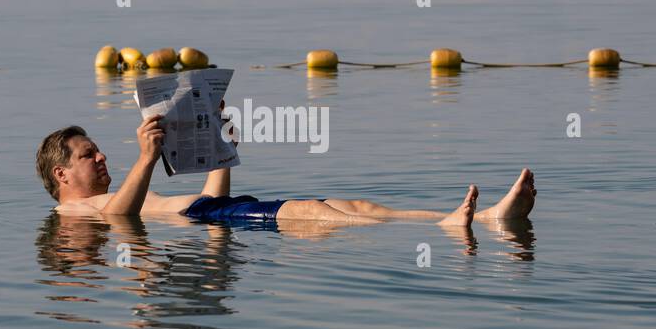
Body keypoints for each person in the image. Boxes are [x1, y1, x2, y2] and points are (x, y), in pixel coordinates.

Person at [35, 106, 536, 228]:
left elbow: (208, 199)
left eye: (98, 150)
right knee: (311, 212)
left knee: (354, 204)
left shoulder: (110, 195)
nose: (101, 157)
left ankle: (483, 218)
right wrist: (146, 158)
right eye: (87, 155)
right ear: (61, 175)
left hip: (217, 211)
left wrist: (220, 148)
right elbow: (123, 218)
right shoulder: (73, 214)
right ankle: (452, 228)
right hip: (207, 220)